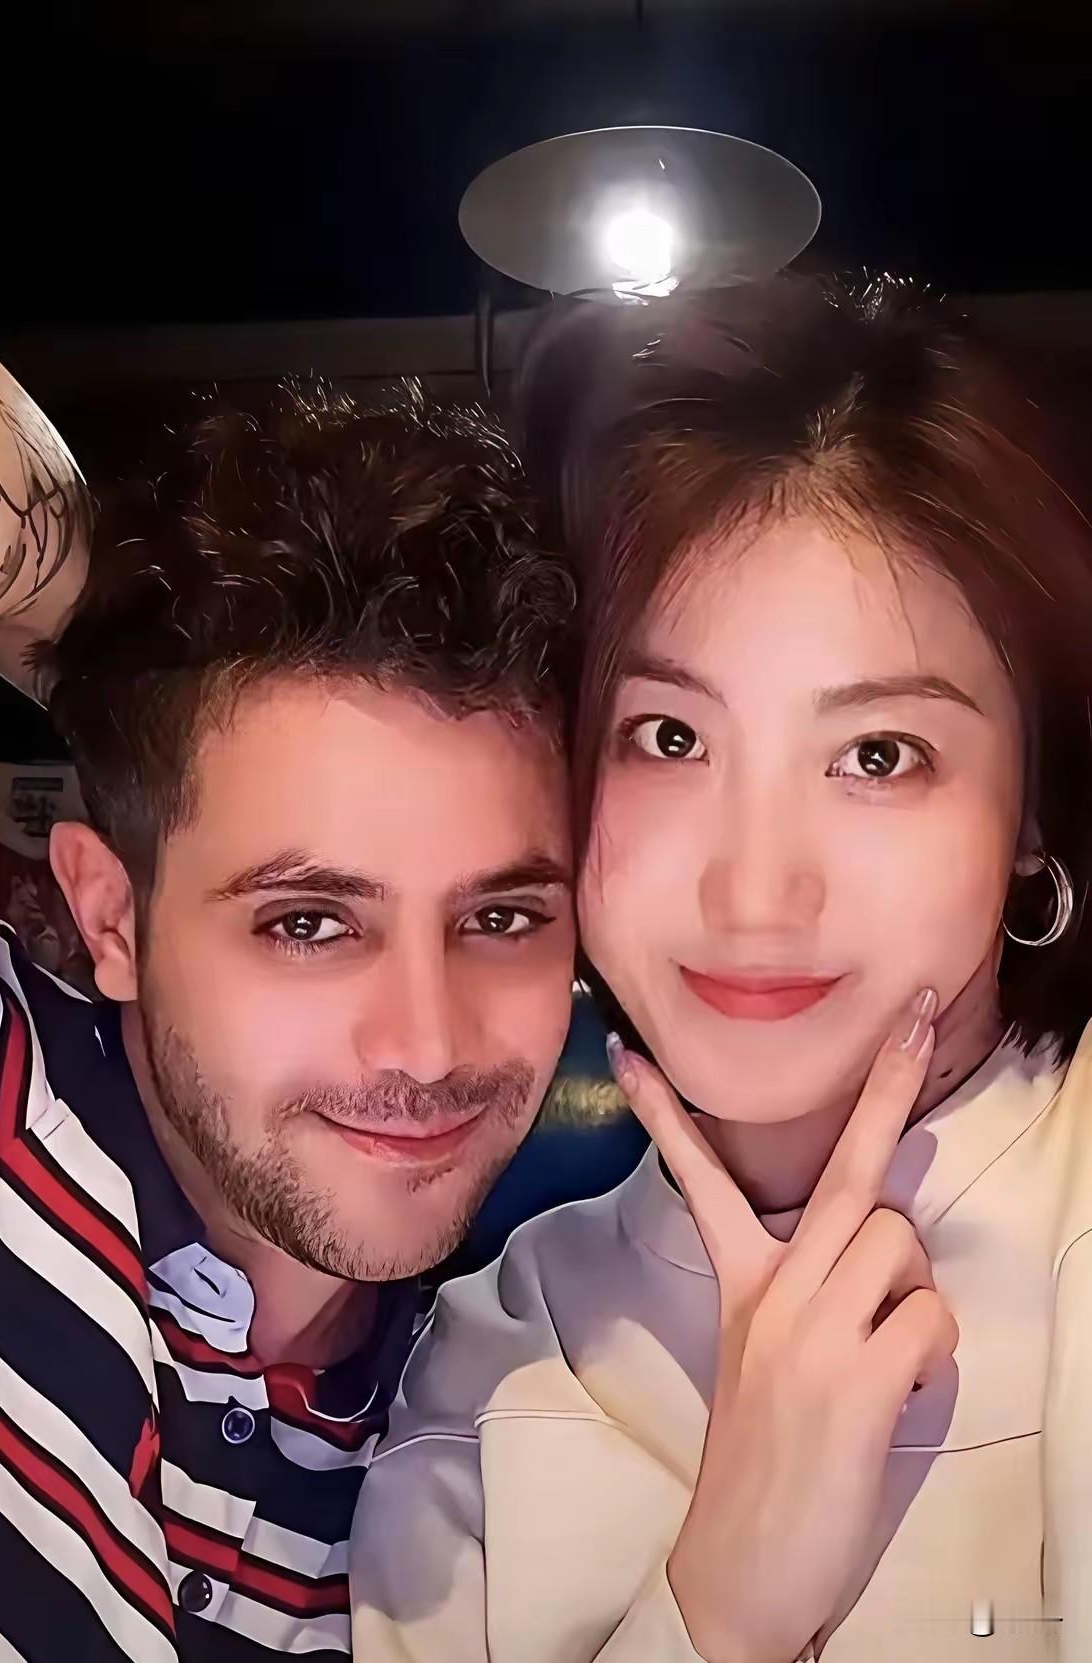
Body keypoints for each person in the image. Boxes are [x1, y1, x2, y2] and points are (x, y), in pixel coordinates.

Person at [0, 247, 576, 1661]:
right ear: (112, 917)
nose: (427, 1044)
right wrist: (127, 670)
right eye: (308, 922)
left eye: (501, 918)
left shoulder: (493, 1433)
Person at [349, 276, 1092, 1662]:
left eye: (879, 755)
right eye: (670, 739)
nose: (754, 892)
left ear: (1032, 812)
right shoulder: (492, 1368)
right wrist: (720, 1607)